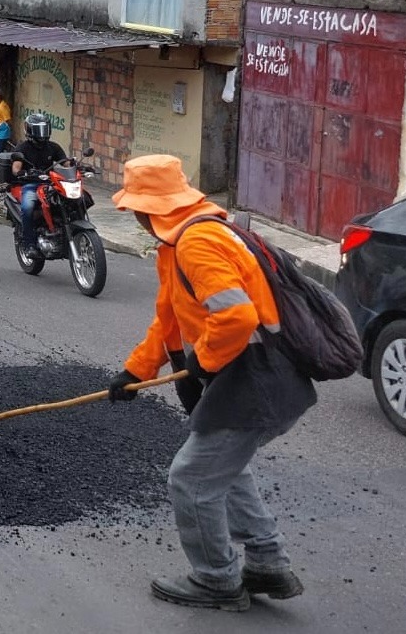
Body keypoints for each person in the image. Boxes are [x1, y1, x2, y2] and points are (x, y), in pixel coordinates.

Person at [106, 154, 315, 612]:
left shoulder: (197, 243)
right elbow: (170, 319)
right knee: (226, 468)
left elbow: (236, 316)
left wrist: (202, 360)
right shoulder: (183, 240)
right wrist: (138, 372)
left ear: (150, 209)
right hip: (253, 372)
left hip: (256, 376)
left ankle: (216, 579)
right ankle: (268, 564)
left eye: (136, 209)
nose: (135, 218)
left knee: (191, 478)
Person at [8, 113, 67, 254]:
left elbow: (66, 162)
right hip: (32, 185)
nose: (42, 134)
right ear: (30, 130)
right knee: (27, 208)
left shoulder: (53, 147)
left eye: (44, 129)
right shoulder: (23, 148)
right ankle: (30, 245)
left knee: (74, 199)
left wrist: (79, 165)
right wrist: (22, 173)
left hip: (51, 184)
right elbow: (16, 167)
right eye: (38, 130)